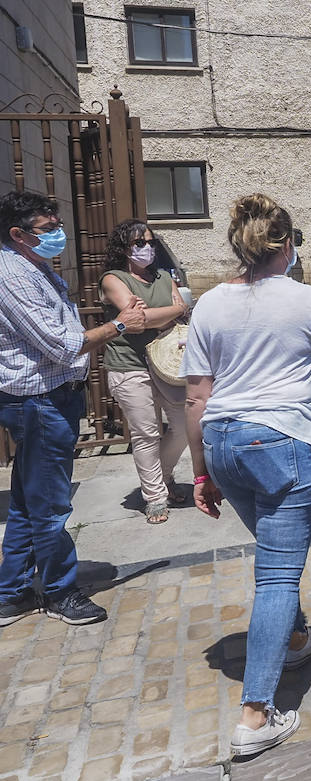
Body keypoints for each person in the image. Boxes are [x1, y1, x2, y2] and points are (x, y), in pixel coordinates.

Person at [183, 193, 311, 757]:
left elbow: (197, 397)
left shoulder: (208, 305)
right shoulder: (309, 301)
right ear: (289, 246)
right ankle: (255, 715)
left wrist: (202, 472)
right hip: (283, 445)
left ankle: (296, 638)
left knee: (276, 555)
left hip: (224, 442)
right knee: (275, 575)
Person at [0, 191, 148, 627]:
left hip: (51, 397)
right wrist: (120, 324)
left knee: (29, 502)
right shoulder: (12, 275)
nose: (58, 235)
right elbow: (62, 345)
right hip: (38, 402)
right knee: (50, 506)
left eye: (57, 225)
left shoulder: (33, 265)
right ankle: (61, 591)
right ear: (18, 234)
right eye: (47, 230)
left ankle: (12, 593)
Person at [101, 219, 190, 524]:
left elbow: (173, 310)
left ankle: (162, 479)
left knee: (183, 428)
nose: (147, 248)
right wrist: (171, 310)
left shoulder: (164, 276)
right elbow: (139, 321)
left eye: (150, 242)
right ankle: (154, 497)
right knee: (147, 434)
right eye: (140, 243)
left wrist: (164, 313)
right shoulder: (114, 279)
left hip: (168, 365)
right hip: (129, 365)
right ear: (124, 248)